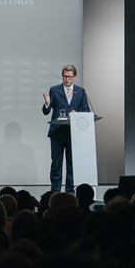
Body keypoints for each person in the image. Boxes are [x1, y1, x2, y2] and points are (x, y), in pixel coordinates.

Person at [41, 64, 91, 193]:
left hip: (74, 134)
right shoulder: (54, 90)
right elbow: (46, 111)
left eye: (69, 77)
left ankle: (69, 192)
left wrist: (77, 113)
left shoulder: (80, 91)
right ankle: (55, 192)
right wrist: (46, 103)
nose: (66, 79)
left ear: (74, 77)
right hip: (57, 133)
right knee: (56, 165)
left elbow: (86, 110)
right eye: (64, 77)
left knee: (72, 165)